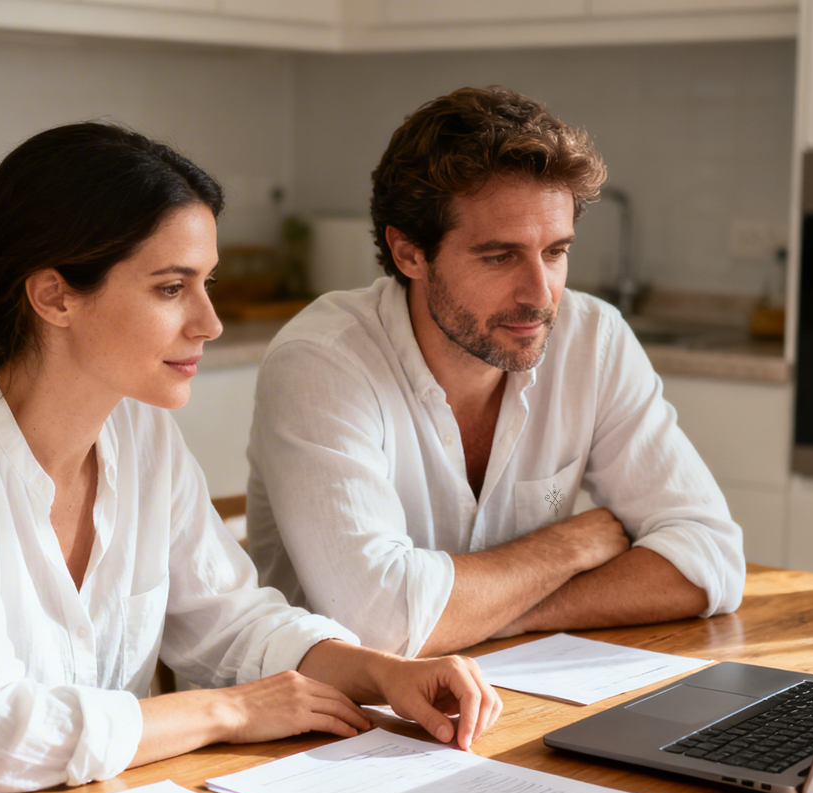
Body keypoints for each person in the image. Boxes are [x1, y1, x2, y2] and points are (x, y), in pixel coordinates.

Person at [0, 122, 501, 793]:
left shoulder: (141, 430)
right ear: (54, 296)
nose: (209, 322)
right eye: (169, 288)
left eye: (206, 283)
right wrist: (225, 711)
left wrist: (381, 673)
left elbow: (230, 619)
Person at [247, 86, 744, 659]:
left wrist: (492, 615)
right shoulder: (322, 362)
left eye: (555, 252)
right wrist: (569, 545)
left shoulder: (593, 339)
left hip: (512, 693)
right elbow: (383, 626)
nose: (540, 295)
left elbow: (711, 560)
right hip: (333, 728)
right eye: (499, 256)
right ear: (409, 254)